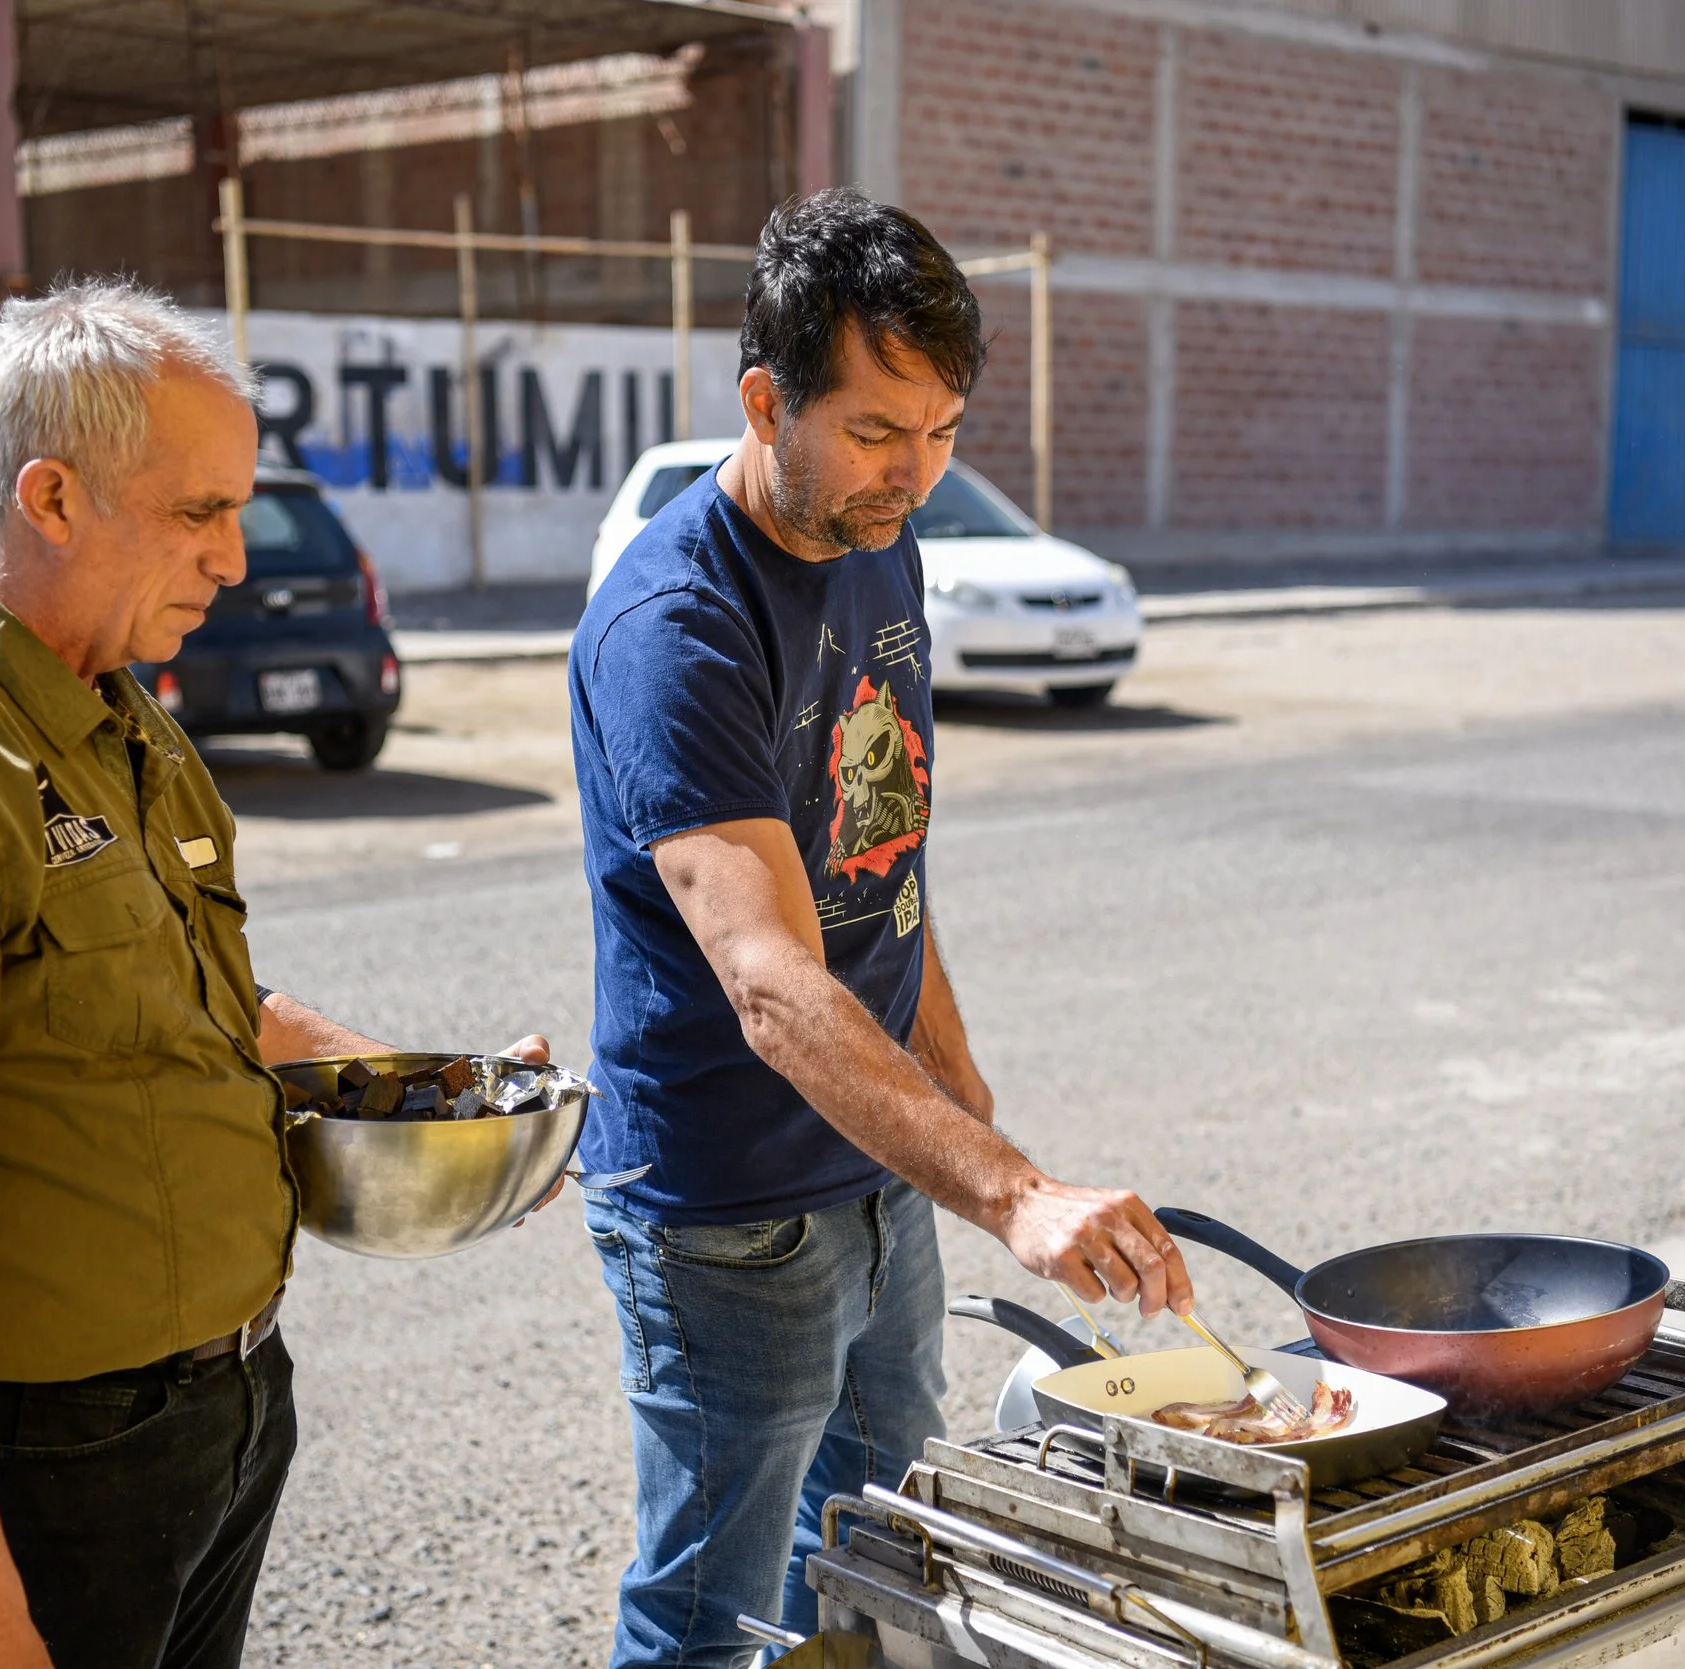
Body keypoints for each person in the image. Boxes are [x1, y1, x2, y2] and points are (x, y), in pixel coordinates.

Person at [0, 279, 549, 1669]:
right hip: (42, 1471)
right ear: (51, 498)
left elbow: (200, 1009)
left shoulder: (115, 706)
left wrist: (444, 1101)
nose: (233, 556)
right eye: (198, 511)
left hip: (218, 1418)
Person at [568, 188, 1197, 1667]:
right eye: (873, 431)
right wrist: (1012, 1195)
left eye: (943, 432)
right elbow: (772, 983)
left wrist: (967, 1122)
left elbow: (885, 867)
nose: (913, 473)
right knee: (707, 1613)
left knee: (875, 1551)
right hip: (728, 1212)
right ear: (764, 402)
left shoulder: (880, 538)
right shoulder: (676, 627)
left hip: (881, 1171)